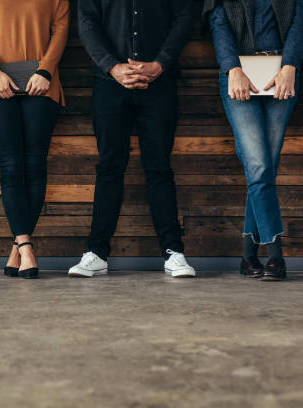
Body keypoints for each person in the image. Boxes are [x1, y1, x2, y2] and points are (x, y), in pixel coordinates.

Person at [70, 0, 197, 278]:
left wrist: (161, 63)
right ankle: (97, 253)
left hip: (160, 85)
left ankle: (174, 252)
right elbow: (87, 23)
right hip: (109, 85)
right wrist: (112, 67)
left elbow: (184, 17)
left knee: (159, 168)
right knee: (109, 167)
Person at [203, 0, 302, 281]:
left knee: (263, 169)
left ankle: (248, 258)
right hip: (238, 74)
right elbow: (218, 23)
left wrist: (290, 66)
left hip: (282, 74)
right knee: (259, 166)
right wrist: (232, 69)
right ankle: (275, 255)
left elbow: (299, 21)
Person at [0, 0, 69, 279]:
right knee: (11, 165)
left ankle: (20, 245)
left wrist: (45, 71)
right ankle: (26, 246)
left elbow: (61, 30)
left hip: (42, 84)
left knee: (35, 165)